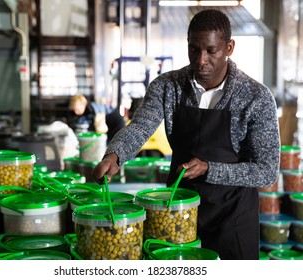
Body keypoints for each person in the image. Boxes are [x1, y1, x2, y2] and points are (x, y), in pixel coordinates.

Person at [91, 9, 280, 260]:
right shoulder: (167, 86)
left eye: (211, 51)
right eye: (194, 49)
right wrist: (115, 155)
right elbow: (140, 126)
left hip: (233, 217)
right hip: (176, 212)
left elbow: (267, 171)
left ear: (229, 48)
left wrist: (209, 169)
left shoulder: (256, 97)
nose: (201, 60)